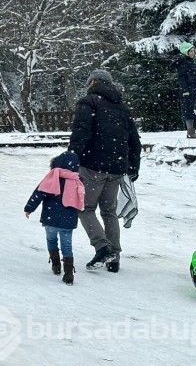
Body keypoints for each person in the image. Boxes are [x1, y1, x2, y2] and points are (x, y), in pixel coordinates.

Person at [67, 68, 141, 273]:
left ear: (92, 83)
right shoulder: (122, 108)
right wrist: (133, 167)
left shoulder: (89, 102)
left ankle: (102, 247)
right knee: (109, 211)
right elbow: (134, 141)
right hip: (117, 168)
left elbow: (81, 133)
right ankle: (114, 255)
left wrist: (71, 158)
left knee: (84, 207)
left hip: (92, 165)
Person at [24, 151, 85, 285]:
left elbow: (38, 193)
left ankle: (56, 265)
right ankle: (69, 274)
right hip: (68, 221)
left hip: (51, 219)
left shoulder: (52, 178)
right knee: (67, 246)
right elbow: (82, 198)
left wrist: (29, 208)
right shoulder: (78, 181)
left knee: (51, 240)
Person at [172, 42, 196, 138]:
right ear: (185, 52)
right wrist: (185, 90)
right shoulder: (184, 63)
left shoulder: (191, 62)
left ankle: (191, 131)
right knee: (189, 110)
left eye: (193, 51)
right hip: (188, 90)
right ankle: (190, 131)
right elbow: (182, 78)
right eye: (190, 51)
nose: (192, 53)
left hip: (194, 89)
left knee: (193, 109)